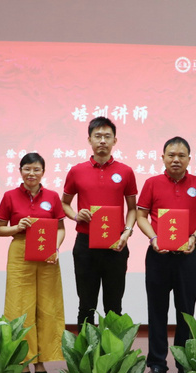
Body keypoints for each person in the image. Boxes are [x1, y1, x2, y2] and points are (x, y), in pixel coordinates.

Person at [136, 137, 196, 373]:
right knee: (156, 311)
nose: (176, 159)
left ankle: (184, 362)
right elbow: (141, 216)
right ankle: (157, 364)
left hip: (188, 256)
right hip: (158, 256)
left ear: (189, 159)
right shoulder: (152, 183)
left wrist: (194, 237)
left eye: (181, 155)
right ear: (163, 158)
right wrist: (153, 238)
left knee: (186, 311)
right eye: (171, 155)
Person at [0, 153, 66, 373]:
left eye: (36, 169)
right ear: (20, 171)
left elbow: (61, 228)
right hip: (20, 253)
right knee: (20, 308)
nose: (31, 173)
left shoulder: (53, 197)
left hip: (47, 254)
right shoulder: (10, 196)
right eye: (27, 169)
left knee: (47, 306)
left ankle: (42, 360)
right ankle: (23, 360)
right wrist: (17, 227)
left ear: (43, 172)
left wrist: (55, 248)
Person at [62, 117, 137, 326]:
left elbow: (132, 208)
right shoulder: (77, 171)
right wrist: (76, 215)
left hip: (116, 244)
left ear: (115, 140)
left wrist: (127, 232)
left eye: (107, 136)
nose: (102, 140)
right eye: (98, 136)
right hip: (85, 245)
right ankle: (85, 348)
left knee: (114, 306)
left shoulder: (126, 171)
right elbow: (64, 203)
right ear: (89, 140)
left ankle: (112, 348)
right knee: (86, 305)